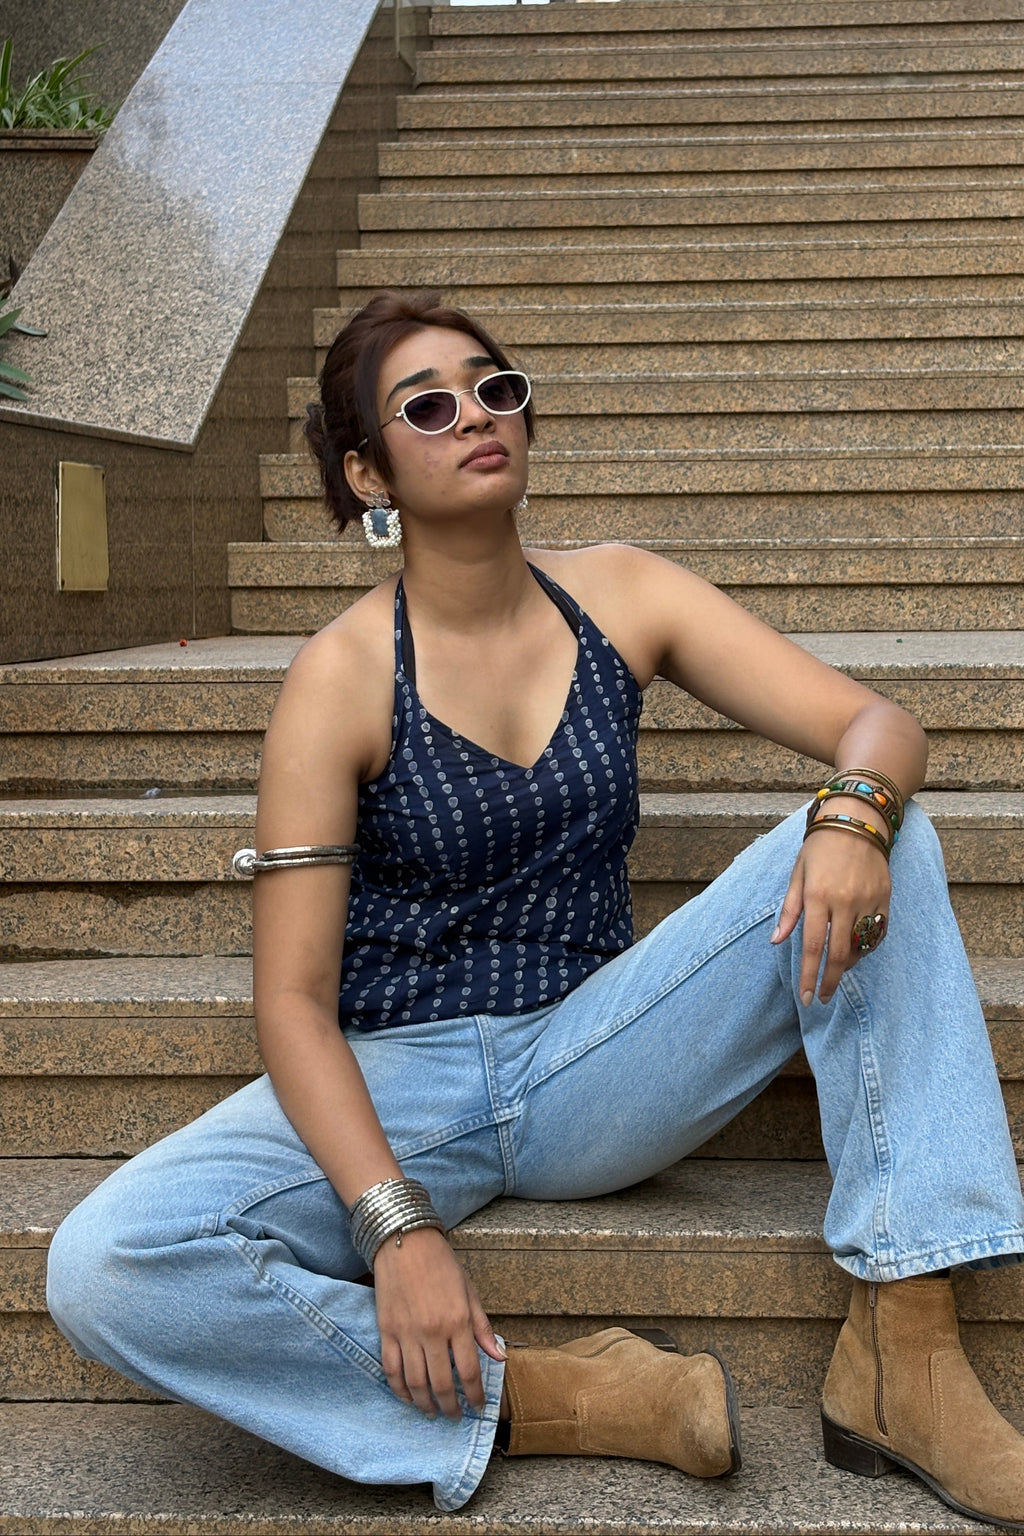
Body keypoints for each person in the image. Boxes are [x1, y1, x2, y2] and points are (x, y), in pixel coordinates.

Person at [46, 290, 1024, 1525]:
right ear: (367, 470)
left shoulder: (622, 593)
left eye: (493, 388)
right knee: (104, 1265)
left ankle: (908, 1347)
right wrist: (396, 1233)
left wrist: (851, 817)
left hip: (598, 1052)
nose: (474, 416)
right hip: (401, 1078)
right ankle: (561, 1397)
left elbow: (874, 724)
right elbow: (291, 1006)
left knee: (885, 827)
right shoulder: (338, 678)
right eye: (428, 405)